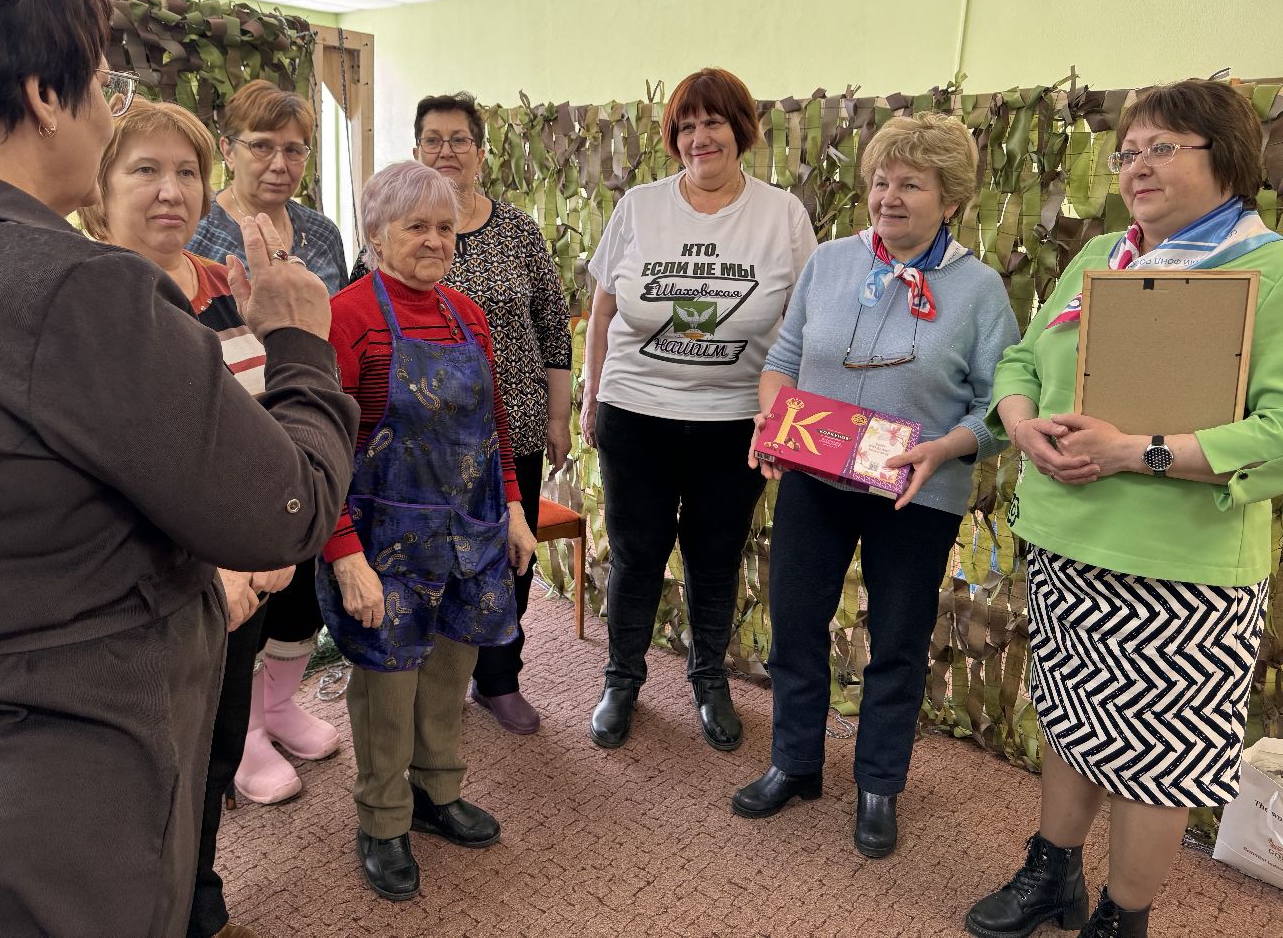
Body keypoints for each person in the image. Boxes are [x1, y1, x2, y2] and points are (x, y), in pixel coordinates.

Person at [0, 0, 358, 938]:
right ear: (44, 91)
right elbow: (282, 508)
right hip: (43, 808)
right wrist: (302, 347)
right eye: (101, 86)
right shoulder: (73, 291)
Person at [967, 79, 1282, 938]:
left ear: (1228, 160)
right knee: (1073, 721)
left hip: (1182, 565)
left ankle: (1122, 915)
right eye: (1128, 151)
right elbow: (1023, 361)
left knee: (1159, 759)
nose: (1137, 167)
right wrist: (1024, 425)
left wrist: (1135, 452)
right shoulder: (1106, 252)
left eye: (1161, 148)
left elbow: (1279, 431)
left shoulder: (1271, 270)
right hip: (1068, 540)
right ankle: (1053, 873)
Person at [730, 113, 1019, 861]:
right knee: (794, 625)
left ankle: (878, 785)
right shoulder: (829, 263)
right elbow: (782, 359)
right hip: (815, 481)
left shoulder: (980, 289)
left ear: (950, 199)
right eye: (881, 181)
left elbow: (1000, 403)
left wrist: (948, 447)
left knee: (897, 642)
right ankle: (794, 763)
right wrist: (774, 423)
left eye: (911, 184)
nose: (890, 197)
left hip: (917, 490)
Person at [79, 97, 305, 938]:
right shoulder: (90, 295)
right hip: (160, 587)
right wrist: (218, 562)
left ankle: (200, 899)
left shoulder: (221, 286)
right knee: (147, 765)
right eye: (145, 170)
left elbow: (254, 423)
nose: (171, 191)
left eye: (187, 173)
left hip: (242, 575)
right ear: (98, 189)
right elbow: (120, 467)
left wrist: (266, 540)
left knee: (216, 745)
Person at [581, 67, 818, 752]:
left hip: (735, 421)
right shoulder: (640, 206)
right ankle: (621, 679)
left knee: (715, 556)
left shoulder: (782, 215)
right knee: (636, 553)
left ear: (739, 130)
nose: (698, 137)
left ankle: (708, 679)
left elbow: (804, 325)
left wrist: (787, 417)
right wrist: (595, 395)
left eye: (712, 122)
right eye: (685, 125)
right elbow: (601, 312)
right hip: (638, 411)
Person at [319, 160, 536, 902]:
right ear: (376, 233)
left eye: (445, 228)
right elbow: (318, 452)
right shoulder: (345, 315)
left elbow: (495, 426)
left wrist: (511, 508)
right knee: (388, 683)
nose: (436, 241)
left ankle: (437, 793)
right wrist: (344, 552)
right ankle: (381, 820)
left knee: (450, 669)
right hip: (384, 538)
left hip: (470, 532)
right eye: (417, 226)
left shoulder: (465, 314)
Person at [187, 78, 350, 803]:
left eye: (296, 149)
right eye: (263, 146)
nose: (281, 163)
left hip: (307, 420)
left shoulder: (320, 233)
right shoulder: (194, 230)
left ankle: (279, 708)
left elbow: (329, 328)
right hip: (228, 436)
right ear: (229, 149)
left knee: (303, 584)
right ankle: (242, 733)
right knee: (245, 592)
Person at [409, 91, 571, 734]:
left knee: (511, 552)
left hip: (517, 425)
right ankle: (425, 676)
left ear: (480, 151)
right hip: (426, 435)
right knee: (431, 554)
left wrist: (558, 420)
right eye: (432, 139)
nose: (445, 151)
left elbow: (553, 330)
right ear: (416, 150)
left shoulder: (519, 232)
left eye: (458, 139)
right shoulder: (400, 228)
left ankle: (498, 677)